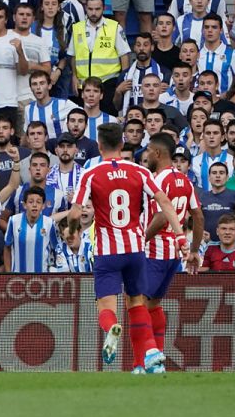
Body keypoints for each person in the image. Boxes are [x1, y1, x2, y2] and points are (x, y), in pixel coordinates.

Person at [67, 123, 188, 374]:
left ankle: (112, 327)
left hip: (107, 251)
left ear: (99, 145)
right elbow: (163, 201)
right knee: (137, 302)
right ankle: (148, 356)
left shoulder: (91, 173)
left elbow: (76, 211)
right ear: (122, 145)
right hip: (135, 248)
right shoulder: (140, 172)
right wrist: (179, 235)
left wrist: (72, 229)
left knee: (106, 307)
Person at [142, 133, 202, 370]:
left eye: (148, 150)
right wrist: (194, 250)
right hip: (173, 255)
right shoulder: (184, 180)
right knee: (154, 305)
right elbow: (198, 215)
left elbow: (159, 217)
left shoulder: (157, 180)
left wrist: (140, 239)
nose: (145, 155)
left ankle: (149, 355)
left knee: (138, 305)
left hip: (154, 251)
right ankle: (156, 358)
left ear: (157, 153)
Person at [68, 0, 130, 114]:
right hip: (84, 85)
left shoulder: (114, 27)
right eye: (90, 9)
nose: (94, 13)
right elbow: (73, 56)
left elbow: (124, 56)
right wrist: (74, 76)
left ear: (104, 8)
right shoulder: (77, 28)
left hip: (108, 84)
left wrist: (122, 80)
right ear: (86, 8)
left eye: (97, 9)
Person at [4, 186, 58, 272]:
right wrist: (8, 273)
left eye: (38, 202)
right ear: (24, 205)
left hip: (42, 278)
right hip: (18, 278)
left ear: (43, 206)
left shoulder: (50, 223)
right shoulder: (13, 221)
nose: (34, 205)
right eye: (31, 202)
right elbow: (7, 248)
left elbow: (56, 249)